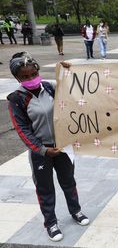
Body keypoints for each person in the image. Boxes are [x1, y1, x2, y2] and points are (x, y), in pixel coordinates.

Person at [7, 52, 89, 242]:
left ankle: (76, 211)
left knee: (68, 181)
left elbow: (72, 92)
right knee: (45, 189)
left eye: (33, 74)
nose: (30, 79)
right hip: (41, 152)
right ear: (17, 78)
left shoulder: (49, 88)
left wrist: (68, 72)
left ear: (38, 71)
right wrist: (42, 150)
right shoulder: (16, 100)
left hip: (62, 148)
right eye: (25, 77)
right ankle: (51, 223)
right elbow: (23, 131)